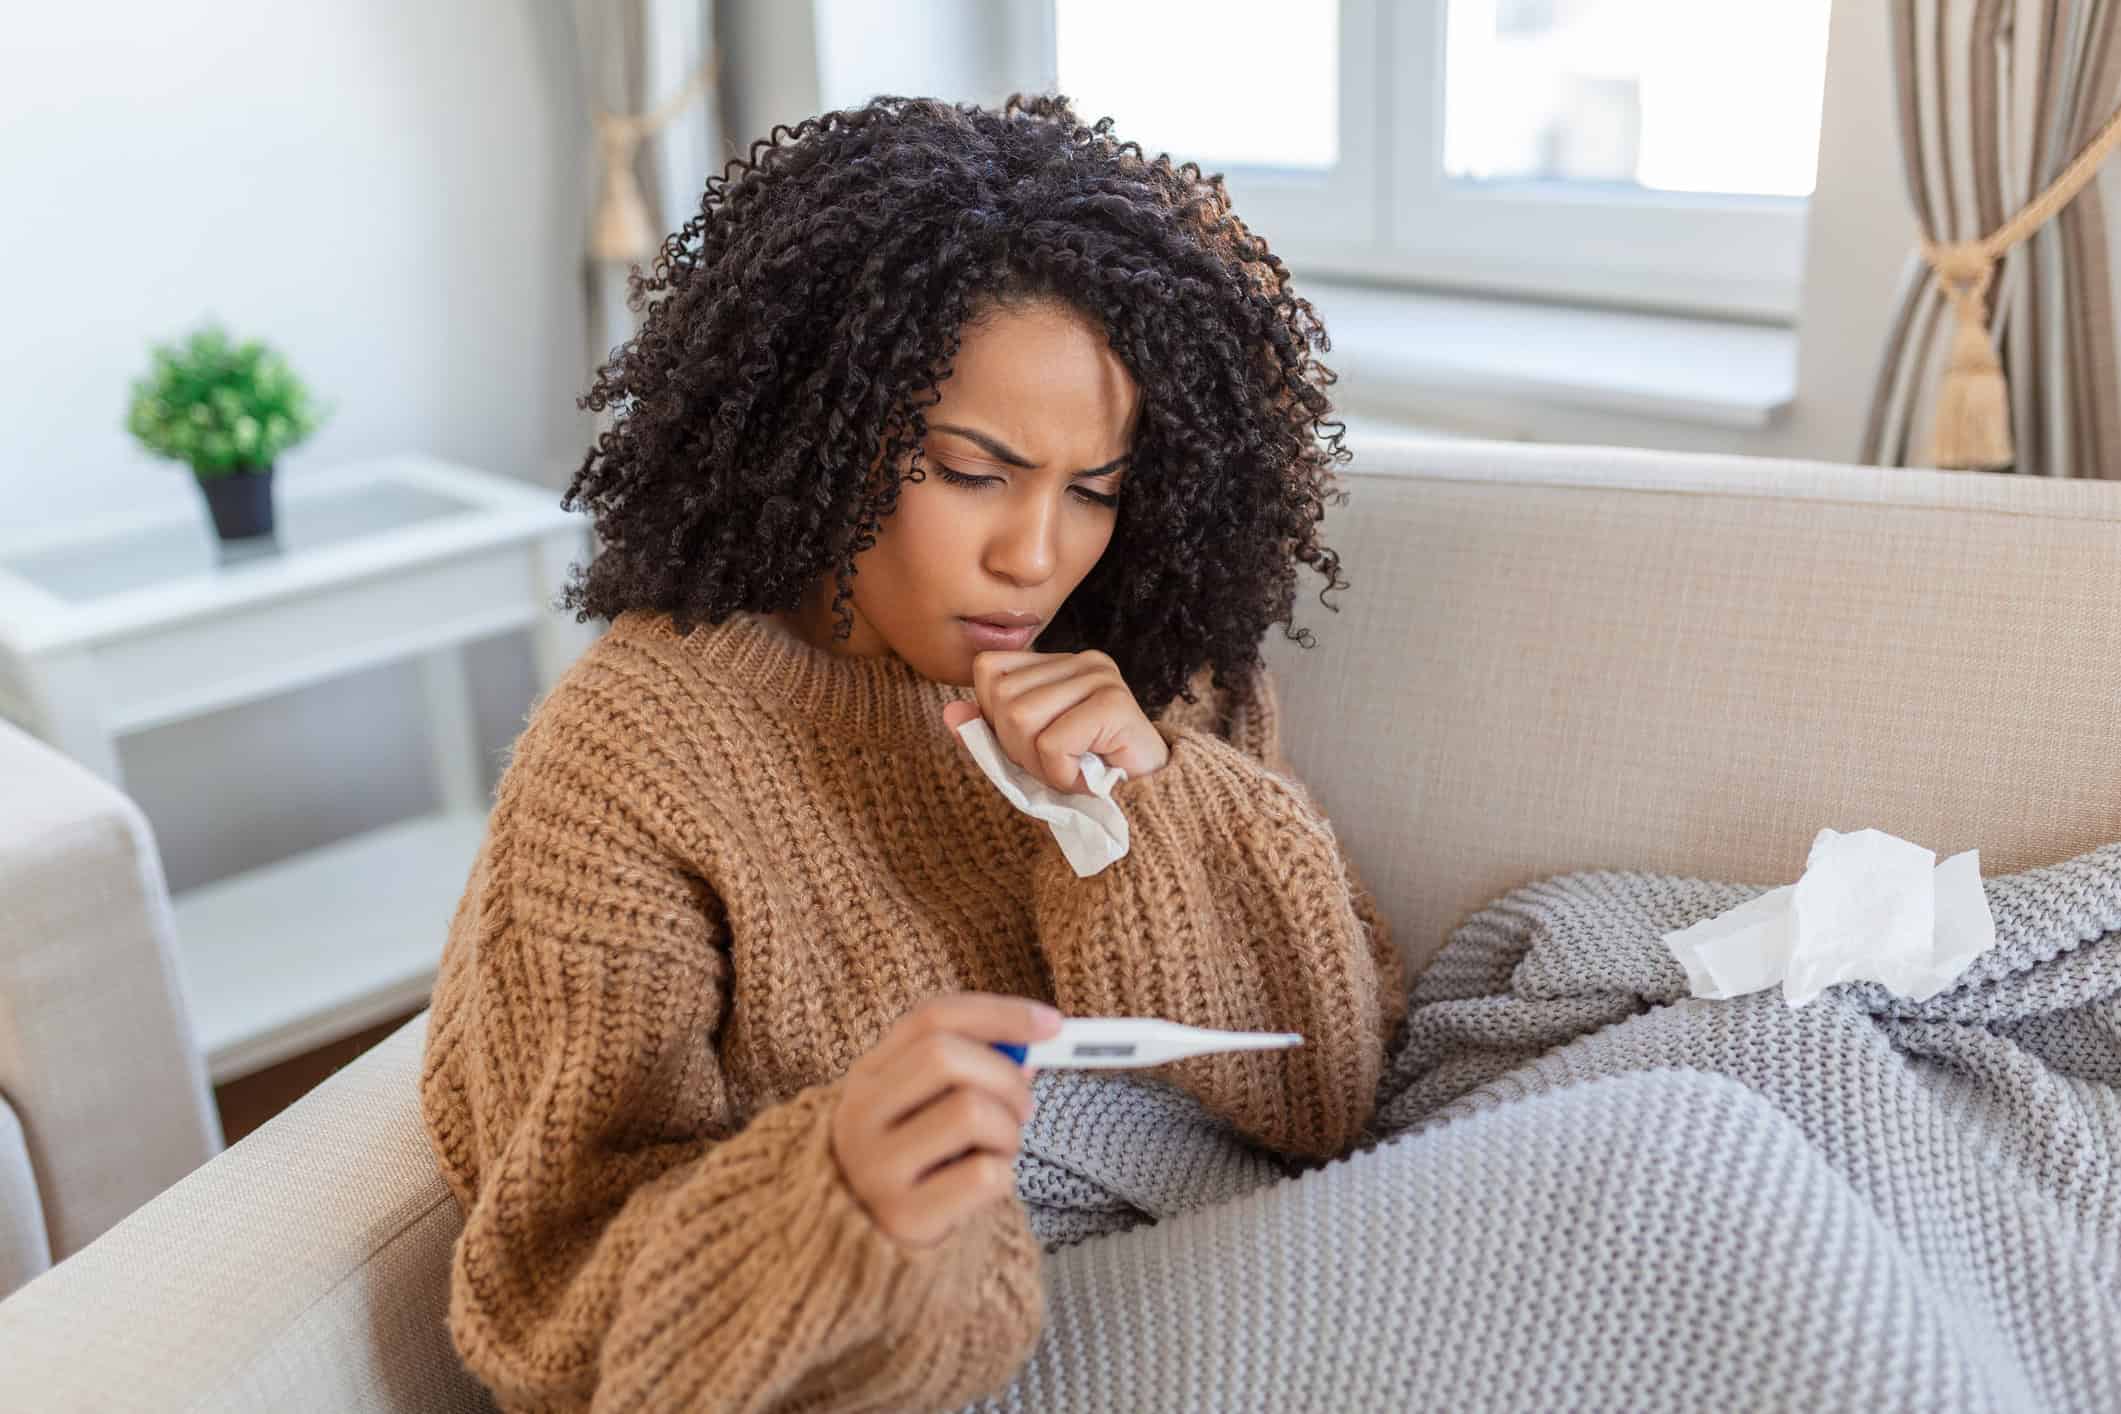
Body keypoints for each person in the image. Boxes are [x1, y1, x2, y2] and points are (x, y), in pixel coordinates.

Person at [417, 91, 1406, 1413]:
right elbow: (554, 1291)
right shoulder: (636, 763)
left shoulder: (1148, 660)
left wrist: (1156, 802)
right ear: (813, 424)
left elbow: (1332, 1091)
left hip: (1275, 1254)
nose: (1038, 554)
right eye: (969, 469)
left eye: (1094, 489)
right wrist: (833, 1198)